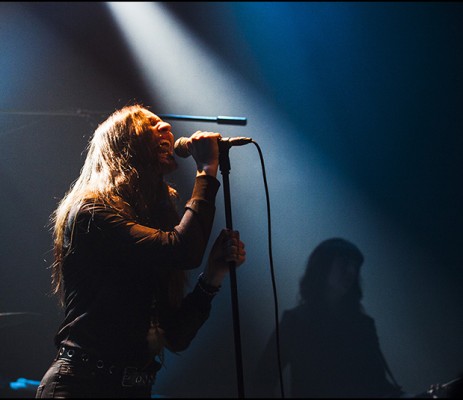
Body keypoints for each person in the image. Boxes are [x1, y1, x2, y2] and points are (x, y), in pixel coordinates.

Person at [35, 104, 246, 398]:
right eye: (148, 124)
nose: (166, 128)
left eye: (164, 124)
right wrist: (207, 171)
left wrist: (212, 276)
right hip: (82, 386)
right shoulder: (90, 213)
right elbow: (182, 251)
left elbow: (176, 336)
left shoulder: (155, 221)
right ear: (122, 145)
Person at [255, 238, 403, 398]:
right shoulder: (296, 322)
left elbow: (377, 382)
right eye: (344, 263)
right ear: (322, 267)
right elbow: (264, 378)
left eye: (355, 266)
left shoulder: (363, 325)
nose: (352, 272)